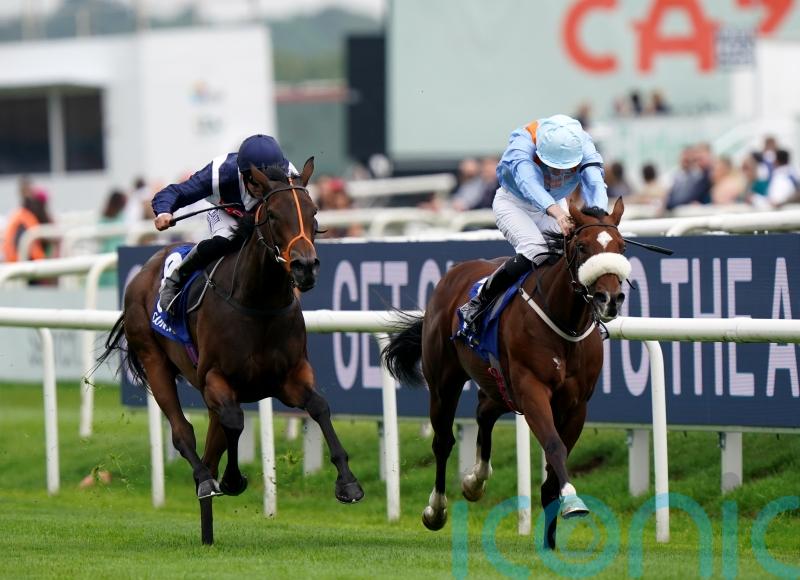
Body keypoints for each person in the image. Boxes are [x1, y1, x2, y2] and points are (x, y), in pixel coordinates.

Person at [459, 114, 608, 332]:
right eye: (552, 166)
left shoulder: (583, 143)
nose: (558, 173)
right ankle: (479, 301)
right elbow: (530, 184)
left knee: (571, 251)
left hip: (554, 203)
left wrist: (599, 218)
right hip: (514, 203)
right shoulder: (521, 145)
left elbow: (595, 182)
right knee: (536, 250)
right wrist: (558, 214)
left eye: (565, 167)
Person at [151, 134, 296, 313]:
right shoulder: (220, 173)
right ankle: (174, 280)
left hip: (264, 216)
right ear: (243, 176)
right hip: (226, 213)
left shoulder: (289, 175)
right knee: (225, 240)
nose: (264, 188)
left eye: (271, 180)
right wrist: (164, 211)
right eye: (258, 182)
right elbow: (176, 192)